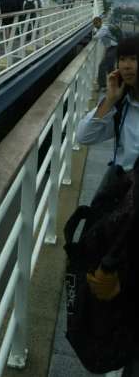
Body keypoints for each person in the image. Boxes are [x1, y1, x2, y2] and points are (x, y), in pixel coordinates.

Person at [77, 36, 139, 376]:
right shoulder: (124, 106)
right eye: (123, 58)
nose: (127, 65)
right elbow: (84, 137)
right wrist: (109, 100)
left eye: (135, 59)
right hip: (122, 215)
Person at [93, 15, 119, 91]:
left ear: (100, 22)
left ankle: (103, 85)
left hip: (114, 48)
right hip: (111, 48)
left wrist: (94, 35)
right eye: (94, 24)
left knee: (102, 66)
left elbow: (96, 37)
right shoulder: (101, 29)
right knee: (110, 67)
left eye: (96, 23)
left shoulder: (104, 29)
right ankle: (113, 85)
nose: (95, 25)